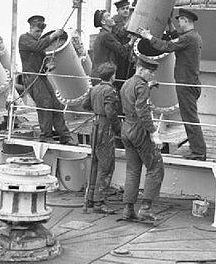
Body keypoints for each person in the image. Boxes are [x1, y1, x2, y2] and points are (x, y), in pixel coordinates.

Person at [138, 8, 206, 160]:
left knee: (190, 118)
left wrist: (148, 37)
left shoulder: (188, 38)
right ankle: (197, 149)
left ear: (186, 20)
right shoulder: (193, 36)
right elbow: (177, 39)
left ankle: (199, 151)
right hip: (191, 82)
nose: (179, 22)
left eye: (180, 20)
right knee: (189, 116)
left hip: (185, 83)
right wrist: (170, 26)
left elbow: (167, 46)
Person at [120, 57, 165, 222]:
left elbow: (130, 100)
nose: (152, 75)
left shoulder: (127, 83)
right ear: (140, 70)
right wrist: (153, 133)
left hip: (126, 128)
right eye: (150, 72)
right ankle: (146, 209)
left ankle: (128, 209)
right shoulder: (141, 86)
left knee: (132, 170)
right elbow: (142, 111)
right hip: (139, 130)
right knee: (155, 167)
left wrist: (148, 87)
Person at [18, 15, 73, 144]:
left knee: (56, 104)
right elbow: (38, 46)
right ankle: (46, 136)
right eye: (37, 31)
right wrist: (53, 36)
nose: (39, 34)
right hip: (31, 77)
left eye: (40, 32)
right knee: (45, 103)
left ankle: (64, 136)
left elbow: (41, 57)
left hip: (40, 76)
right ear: (30, 28)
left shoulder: (38, 42)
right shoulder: (24, 39)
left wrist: (48, 65)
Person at [82, 62, 122, 214]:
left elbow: (85, 105)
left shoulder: (94, 89)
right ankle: (99, 202)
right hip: (105, 129)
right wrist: (118, 129)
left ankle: (90, 198)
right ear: (113, 76)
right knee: (106, 166)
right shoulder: (110, 91)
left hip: (95, 126)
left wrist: (96, 108)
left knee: (95, 163)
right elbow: (110, 112)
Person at [91, 9, 131, 86]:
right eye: (108, 16)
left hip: (99, 75)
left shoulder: (103, 35)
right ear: (103, 22)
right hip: (103, 76)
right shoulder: (106, 35)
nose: (112, 17)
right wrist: (131, 42)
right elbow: (121, 50)